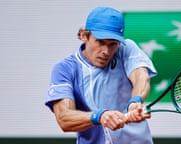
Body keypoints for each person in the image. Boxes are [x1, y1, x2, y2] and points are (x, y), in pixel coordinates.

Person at [45, 6, 157, 144]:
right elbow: (64, 118)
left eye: (112, 44)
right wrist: (99, 116)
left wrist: (136, 100)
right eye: (100, 42)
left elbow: (141, 77)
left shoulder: (126, 49)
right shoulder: (65, 69)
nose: (106, 51)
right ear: (83, 35)